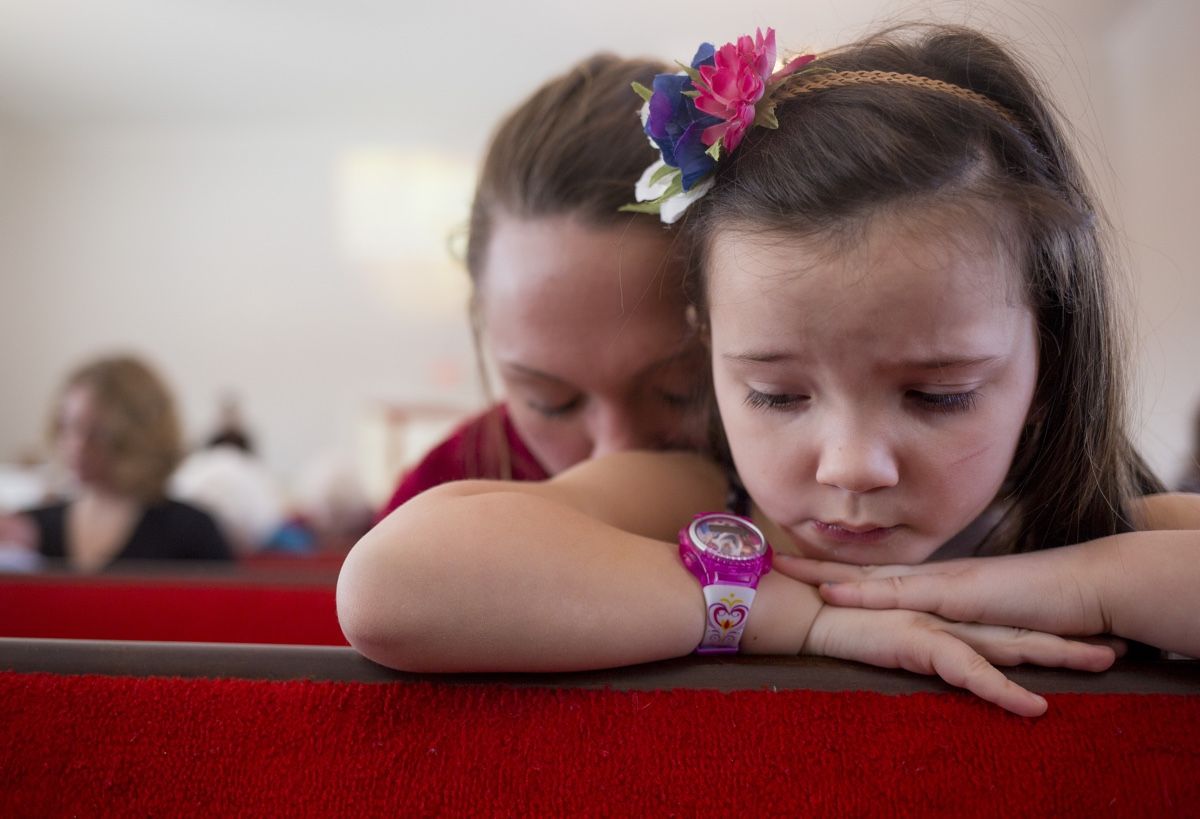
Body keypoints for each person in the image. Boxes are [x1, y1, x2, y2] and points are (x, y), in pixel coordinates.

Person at [338, 25, 1200, 716]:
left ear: (1050, 366)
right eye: (776, 393)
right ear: (712, 349)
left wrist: (1094, 582)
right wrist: (796, 615)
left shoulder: (1086, 530)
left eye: (940, 394)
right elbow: (392, 583)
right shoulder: (698, 498)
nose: (851, 464)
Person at [377, 54, 709, 516]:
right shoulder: (439, 505)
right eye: (553, 404)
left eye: (682, 388)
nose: (615, 455)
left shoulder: (817, 498)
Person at [4, 354, 233, 571]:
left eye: (96, 433)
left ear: (138, 436)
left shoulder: (191, 531)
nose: (76, 446)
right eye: (67, 427)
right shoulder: (28, 529)